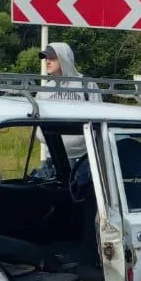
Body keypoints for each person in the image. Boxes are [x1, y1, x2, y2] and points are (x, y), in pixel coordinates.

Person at [32, 42, 102, 179]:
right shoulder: (44, 90)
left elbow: (98, 120)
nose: (47, 62)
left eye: (52, 58)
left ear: (64, 58)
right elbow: (37, 125)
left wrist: (80, 139)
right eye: (46, 58)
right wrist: (49, 140)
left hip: (84, 160)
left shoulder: (87, 85)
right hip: (52, 160)